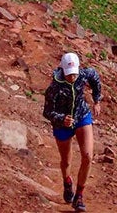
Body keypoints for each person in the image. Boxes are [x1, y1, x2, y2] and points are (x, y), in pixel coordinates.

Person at [43, 52, 102, 212]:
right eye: (69, 75)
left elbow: (95, 78)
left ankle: (79, 196)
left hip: (82, 116)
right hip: (62, 125)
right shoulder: (54, 88)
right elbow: (47, 112)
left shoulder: (83, 75)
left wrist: (97, 100)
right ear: (62, 70)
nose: (73, 77)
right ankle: (67, 182)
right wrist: (62, 119)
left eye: (75, 73)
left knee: (88, 156)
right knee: (66, 161)